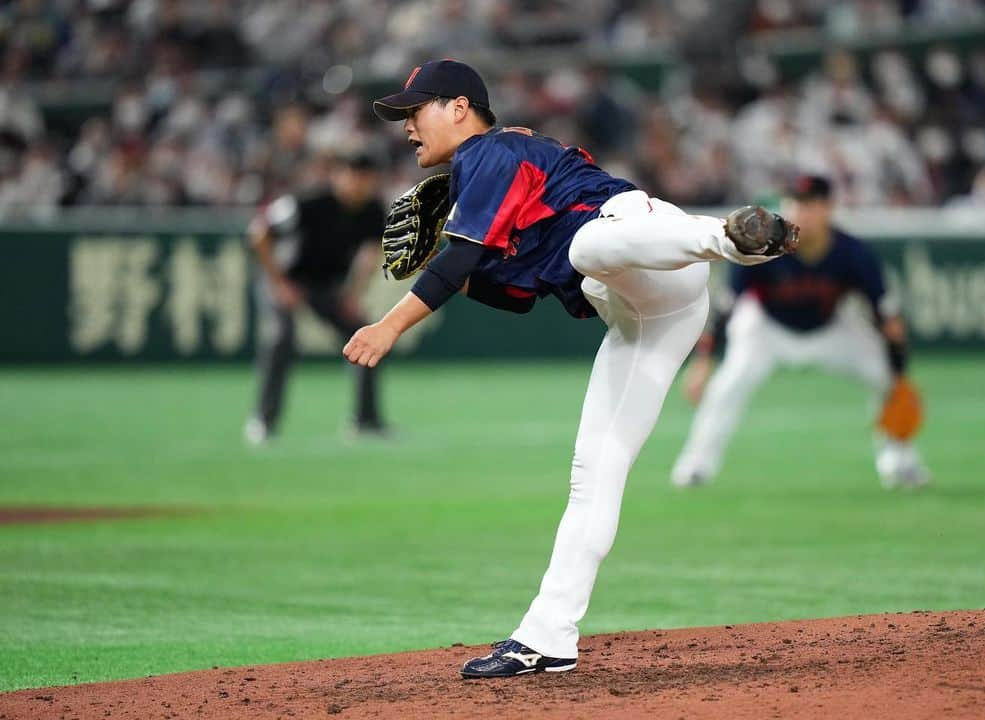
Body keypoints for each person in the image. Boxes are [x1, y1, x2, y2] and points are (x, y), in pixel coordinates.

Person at [342, 59, 798, 678]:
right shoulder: (487, 188)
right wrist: (460, 256)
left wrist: (388, 324)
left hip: (647, 241)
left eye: (414, 110)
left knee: (587, 247)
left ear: (458, 107)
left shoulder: (491, 152)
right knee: (594, 471)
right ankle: (548, 637)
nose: (406, 127)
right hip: (653, 314)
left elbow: (459, 262)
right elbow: (505, 285)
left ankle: (731, 238)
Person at [671, 174, 931, 490]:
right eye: (794, 204)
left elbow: (888, 319)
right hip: (766, 329)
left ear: (828, 209)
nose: (800, 213)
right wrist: (703, 363)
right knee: (728, 385)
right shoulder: (763, 244)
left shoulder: (852, 252)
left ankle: (900, 464)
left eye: (809, 205)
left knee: (885, 377)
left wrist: (900, 374)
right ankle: (696, 467)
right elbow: (726, 308)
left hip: (830, 329)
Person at [245, 148, 387, 445]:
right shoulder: (309, 202)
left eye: (367, 179)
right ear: (340, 175)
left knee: (367, 337)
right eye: (355, 176)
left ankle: (366, 421)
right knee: (281, 337)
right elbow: (258, 233)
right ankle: (263, 420)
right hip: (285, 279)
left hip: (325, 286)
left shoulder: (373, 210)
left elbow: (371, 255)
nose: (360, 184)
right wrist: (279, 283)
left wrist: (353, 295)